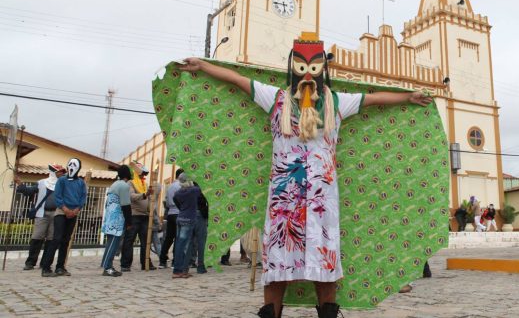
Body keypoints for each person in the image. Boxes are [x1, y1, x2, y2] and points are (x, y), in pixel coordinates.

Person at [178, 32, 432, 318]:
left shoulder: (336, 102)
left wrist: (408, 97)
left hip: (322, 203)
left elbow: (373, 99)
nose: (308, 75)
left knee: (324, 263)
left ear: (323, 70)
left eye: (314, 68)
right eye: (302, 67)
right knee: (278, 265)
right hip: (284, 203)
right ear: (292, 68)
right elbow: (237, 80)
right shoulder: (275, 99)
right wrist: (203, 66)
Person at [40, 158, 87, 277]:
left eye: (74, 165)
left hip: (74, 213)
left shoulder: (81, 183)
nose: (72, 166)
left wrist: (76, 209)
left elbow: (83, 198)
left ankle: (60, 267)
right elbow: (58, 196)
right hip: (61, 212)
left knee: (66, 241)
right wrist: (65, 209)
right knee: (57, 238)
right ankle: (46, 267)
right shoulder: (61, 180)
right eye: (70, 164)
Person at [14, 165, 66, 270]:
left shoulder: (62, 185)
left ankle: (45, 263)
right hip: (42, 213)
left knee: (51, 240)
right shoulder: (41, 183)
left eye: (62, 172)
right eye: (60, 172)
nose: (62, 174)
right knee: (37, 238)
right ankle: (30, 262)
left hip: (56, 214)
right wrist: (20, 183)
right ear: (53, 172)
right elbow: (29, 191)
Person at [121, 162, 154, 271]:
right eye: (142, 174)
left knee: (146, 241)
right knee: (129, 240)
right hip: (134, 215)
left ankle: (146, 263)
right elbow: (131, 196)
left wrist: (150, 209)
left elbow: (149, 199)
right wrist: (145, 195)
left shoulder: (144, 184)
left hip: (145, 216)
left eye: (144, 174)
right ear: (136, 173)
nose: (143, 176)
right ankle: (125, 265)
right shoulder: (131, 183)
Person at [100, 165, 133, 276]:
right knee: (113, 244)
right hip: (117, 219)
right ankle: (107, 268)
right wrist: (129, 222)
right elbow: (126, 206)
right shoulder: (124, 186)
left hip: (109, 217)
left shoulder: (114, 184)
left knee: (110, 243)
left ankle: (106, 264)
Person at [172, 172, 201, 279]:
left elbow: (175, 199)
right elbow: (199, 186)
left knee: (179, 244)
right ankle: (178, 271)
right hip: (188, 220)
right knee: (182, 246)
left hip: (180, 218)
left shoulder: (179, 192)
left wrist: (182, 209)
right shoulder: (194, 190)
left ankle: (179, 269)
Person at [158, 168, 184, 269]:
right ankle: (175, 261)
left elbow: (167, 202)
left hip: (170, 213)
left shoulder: (170, 187)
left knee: (168, 238)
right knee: (178, 238)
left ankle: (162, 261)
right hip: (179, 213)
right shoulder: (181, 186)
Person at [187, 181, 209, 274]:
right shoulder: (204, 190)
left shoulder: (188, 190)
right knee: (201, 243)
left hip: (189, 215)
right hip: (200, 215)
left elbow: (177, 198)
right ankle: (200, 266)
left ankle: (186, 266)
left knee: (189, 242)